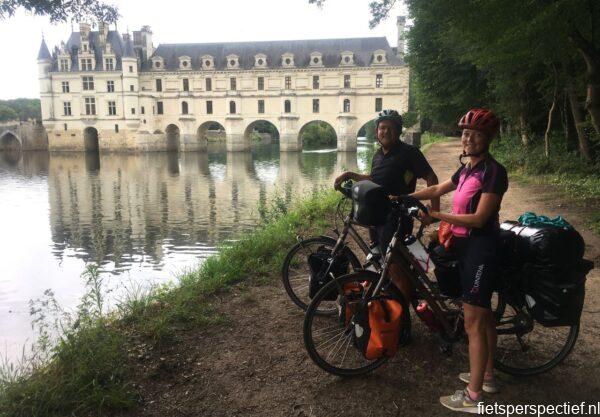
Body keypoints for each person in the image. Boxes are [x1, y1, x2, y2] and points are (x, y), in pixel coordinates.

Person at [409, 108, 508, 413]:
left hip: (481, 247)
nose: (469, 138)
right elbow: (439, 188)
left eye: (476, 134)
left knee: (473, 322)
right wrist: (403, 197)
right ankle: (487, 376)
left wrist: (436, 215)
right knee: (484, 317)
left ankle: (473, 397)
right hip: (465, 246)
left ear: (487, 139)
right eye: (466, 133)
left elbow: (479, 219)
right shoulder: (467, 168)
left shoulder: (493, 171)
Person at [334, 109, 439, 303]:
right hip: (378, 216)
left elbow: (431, 178)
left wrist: (433, 211)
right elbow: (374, 178)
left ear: (398, 131)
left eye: (391, 128)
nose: (385, 132)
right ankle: (393, 302)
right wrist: (350, 174)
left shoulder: (409, 153)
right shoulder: (378, 155)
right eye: (382, 128)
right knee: (383, 260)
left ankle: (402, 322)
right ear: (376, 132)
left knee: (395, 268)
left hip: (397, 217)